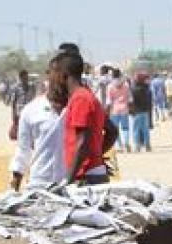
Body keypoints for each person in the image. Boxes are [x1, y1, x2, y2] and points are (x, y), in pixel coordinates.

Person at [52, 46, 110, 184]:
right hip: (90, 172)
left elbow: (82, 141)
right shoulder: (83, 96)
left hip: (87, 176)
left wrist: (69, 181)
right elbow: (111, 131)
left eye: (54, 73)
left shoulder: (80, 99)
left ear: (63, 75)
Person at [9, 81, 67, 191]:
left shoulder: (77, 107)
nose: (59, 80)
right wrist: (14, 186)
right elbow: (23, 150)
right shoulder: (31, 110)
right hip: (39, 185)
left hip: (70, 186)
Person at [104, 67, 132, 152]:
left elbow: (108, 101)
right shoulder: (126, 85)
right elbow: (130, 99)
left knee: (115, 129)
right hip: (124, 109)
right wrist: (130, 108)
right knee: (125, 128)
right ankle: (126, 143)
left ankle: (118, 146)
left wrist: (107, 112)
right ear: (120, 74)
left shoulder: (110, 86)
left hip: (114, 110)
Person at [128, 71, 153, 153]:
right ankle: (147, 145)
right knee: (145, 129)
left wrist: (131, 110)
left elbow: (131, 101)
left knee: (136, 129)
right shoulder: (147, 88)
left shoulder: (133, 89)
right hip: (145, 111)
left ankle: (137, 146)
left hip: (136, 112)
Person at [6, 69, 34, 141]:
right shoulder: (15, 88)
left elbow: (33, 99)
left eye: (26, 77)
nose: (25, 79)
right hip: (20, 112)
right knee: (21, 130)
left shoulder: (31, 87)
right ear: (20, 78)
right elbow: (13, 103)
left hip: (31, 112)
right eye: (24, 77)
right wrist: (14, 115)